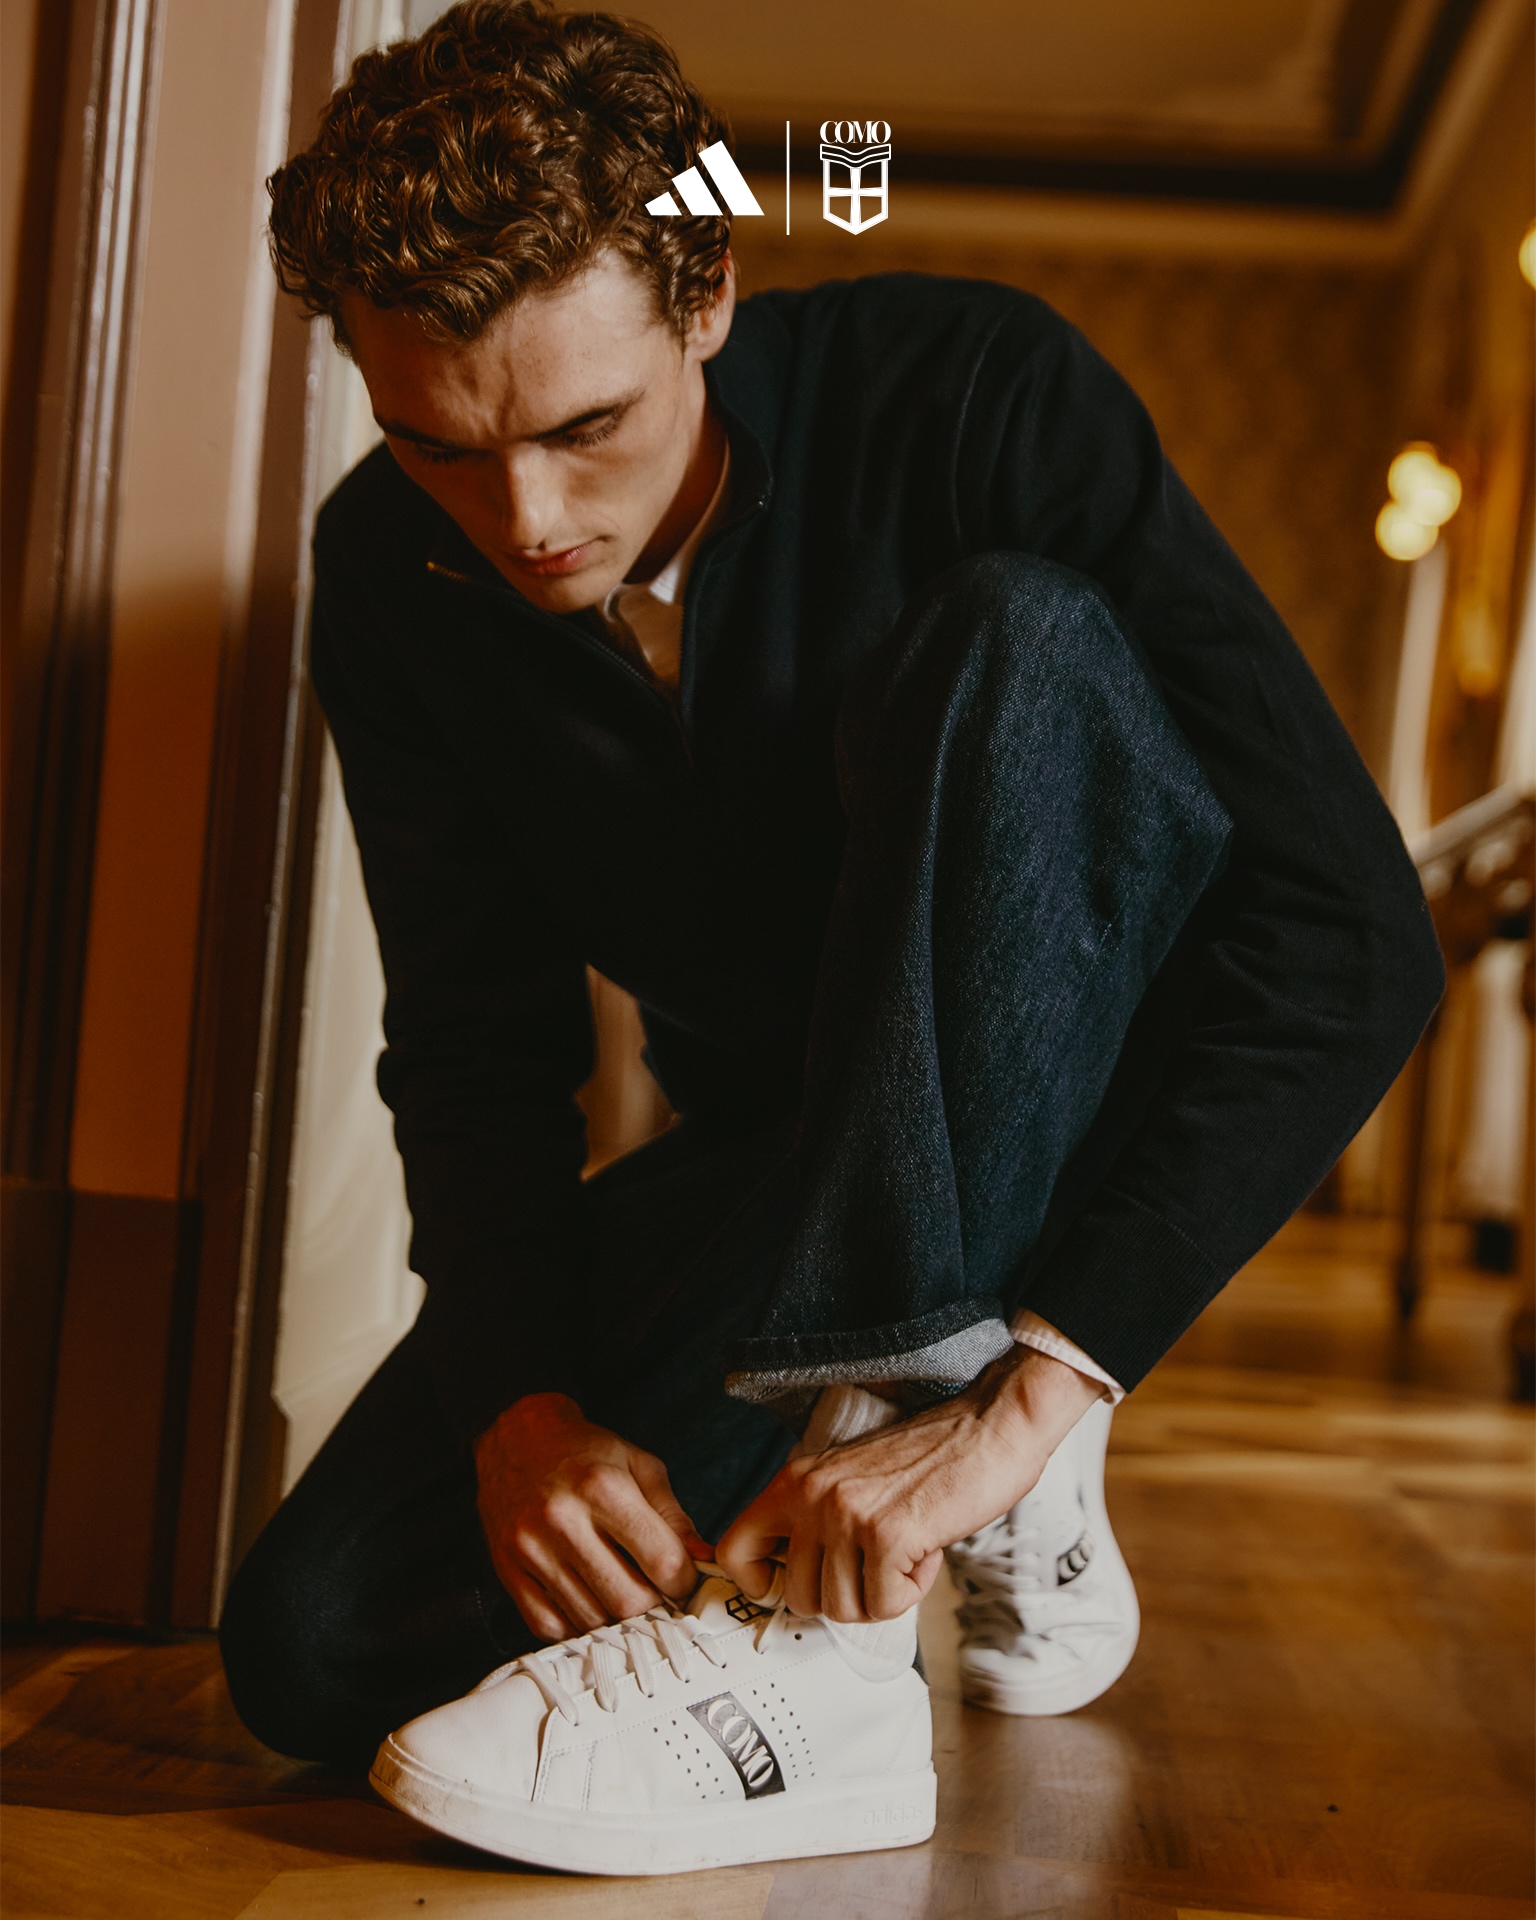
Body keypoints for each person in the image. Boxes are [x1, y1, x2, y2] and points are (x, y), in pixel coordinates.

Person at [219, 0, 1443, 1876]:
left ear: (707, 293)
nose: (527, 521)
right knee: (317, 1645)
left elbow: (1352, 933)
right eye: (440, 447)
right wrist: (524, 1408)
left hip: (1088, 1096)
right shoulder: (391, 569)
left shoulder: (977, 390)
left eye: (585, 427)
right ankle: (898, 1407)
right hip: (785, 1160)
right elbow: (473, 1042)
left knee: (1017, 635)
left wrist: (1041, 1390)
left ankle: (856, 1635)